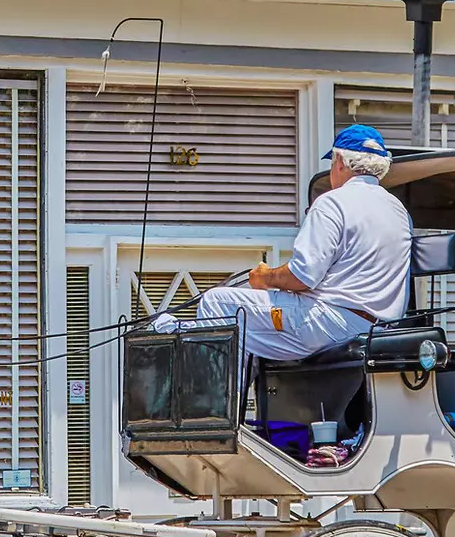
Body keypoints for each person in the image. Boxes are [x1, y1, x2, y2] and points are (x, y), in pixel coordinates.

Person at [156, 124, 414, 367]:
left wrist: (265, 278)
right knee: (246, 332)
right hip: (380, 328)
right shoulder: (400, 212)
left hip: (328, 324)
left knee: (217, 302)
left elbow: (303, 276)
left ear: (340, 162)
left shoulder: (333, 202)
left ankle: (220, 411)